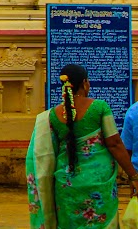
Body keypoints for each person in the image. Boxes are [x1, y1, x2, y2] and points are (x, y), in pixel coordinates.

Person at [27, 62, 138, 227]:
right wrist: (133, 175)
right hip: (98, 183)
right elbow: (115, 143)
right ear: (85, 83)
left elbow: (48, 152)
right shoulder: (99, 108)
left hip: (65, 183)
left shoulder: (52, 115)